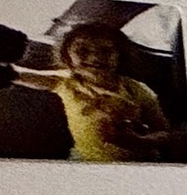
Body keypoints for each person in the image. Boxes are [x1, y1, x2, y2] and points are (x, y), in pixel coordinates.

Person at [13, 21, 177, 162]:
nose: (95, 58)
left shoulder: (136, 89)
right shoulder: (65, 82)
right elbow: (17, 75)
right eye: (82, 51)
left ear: (120, 55)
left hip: (138, 162)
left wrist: (139, 141)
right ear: (67, 56)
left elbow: (164, 132)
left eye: (106, 51)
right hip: (85, 159)